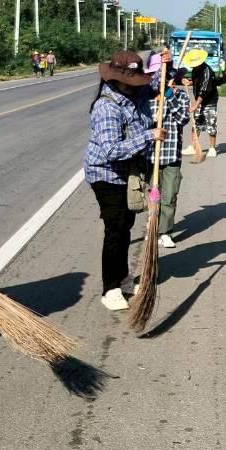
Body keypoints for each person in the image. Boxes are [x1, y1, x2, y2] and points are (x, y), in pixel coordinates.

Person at [84, 49, 163, 312]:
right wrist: (149, 136)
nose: (136, 85)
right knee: (115, 230)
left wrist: (166, 66)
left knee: (126, 225)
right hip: (106, 174)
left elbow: (155, 86)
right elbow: (111, 150)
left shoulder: (134, 94)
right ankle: (110, 288)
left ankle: (124, 277)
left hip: (128, 173)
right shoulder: (107, 106)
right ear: (117, 79)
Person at [157, 64, 191, 249]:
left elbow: (182, 119)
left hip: (171, 155)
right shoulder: (148, 96)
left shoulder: (181, 96)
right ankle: (153, 228)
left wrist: (169, 97)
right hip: (150, 156)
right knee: (152, 198)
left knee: (169, 196)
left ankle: (165, 232)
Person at [191, 53, 220, 158]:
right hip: (200, 99)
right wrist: (189, 82)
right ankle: (194, 146)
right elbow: (197, 83)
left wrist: (195, 105)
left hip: (210, 100)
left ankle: (212, 148)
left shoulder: (207, 71)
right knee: (196, 122)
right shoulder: (195, 70)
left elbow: (204, 90)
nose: (193, 66)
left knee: (211, 122)